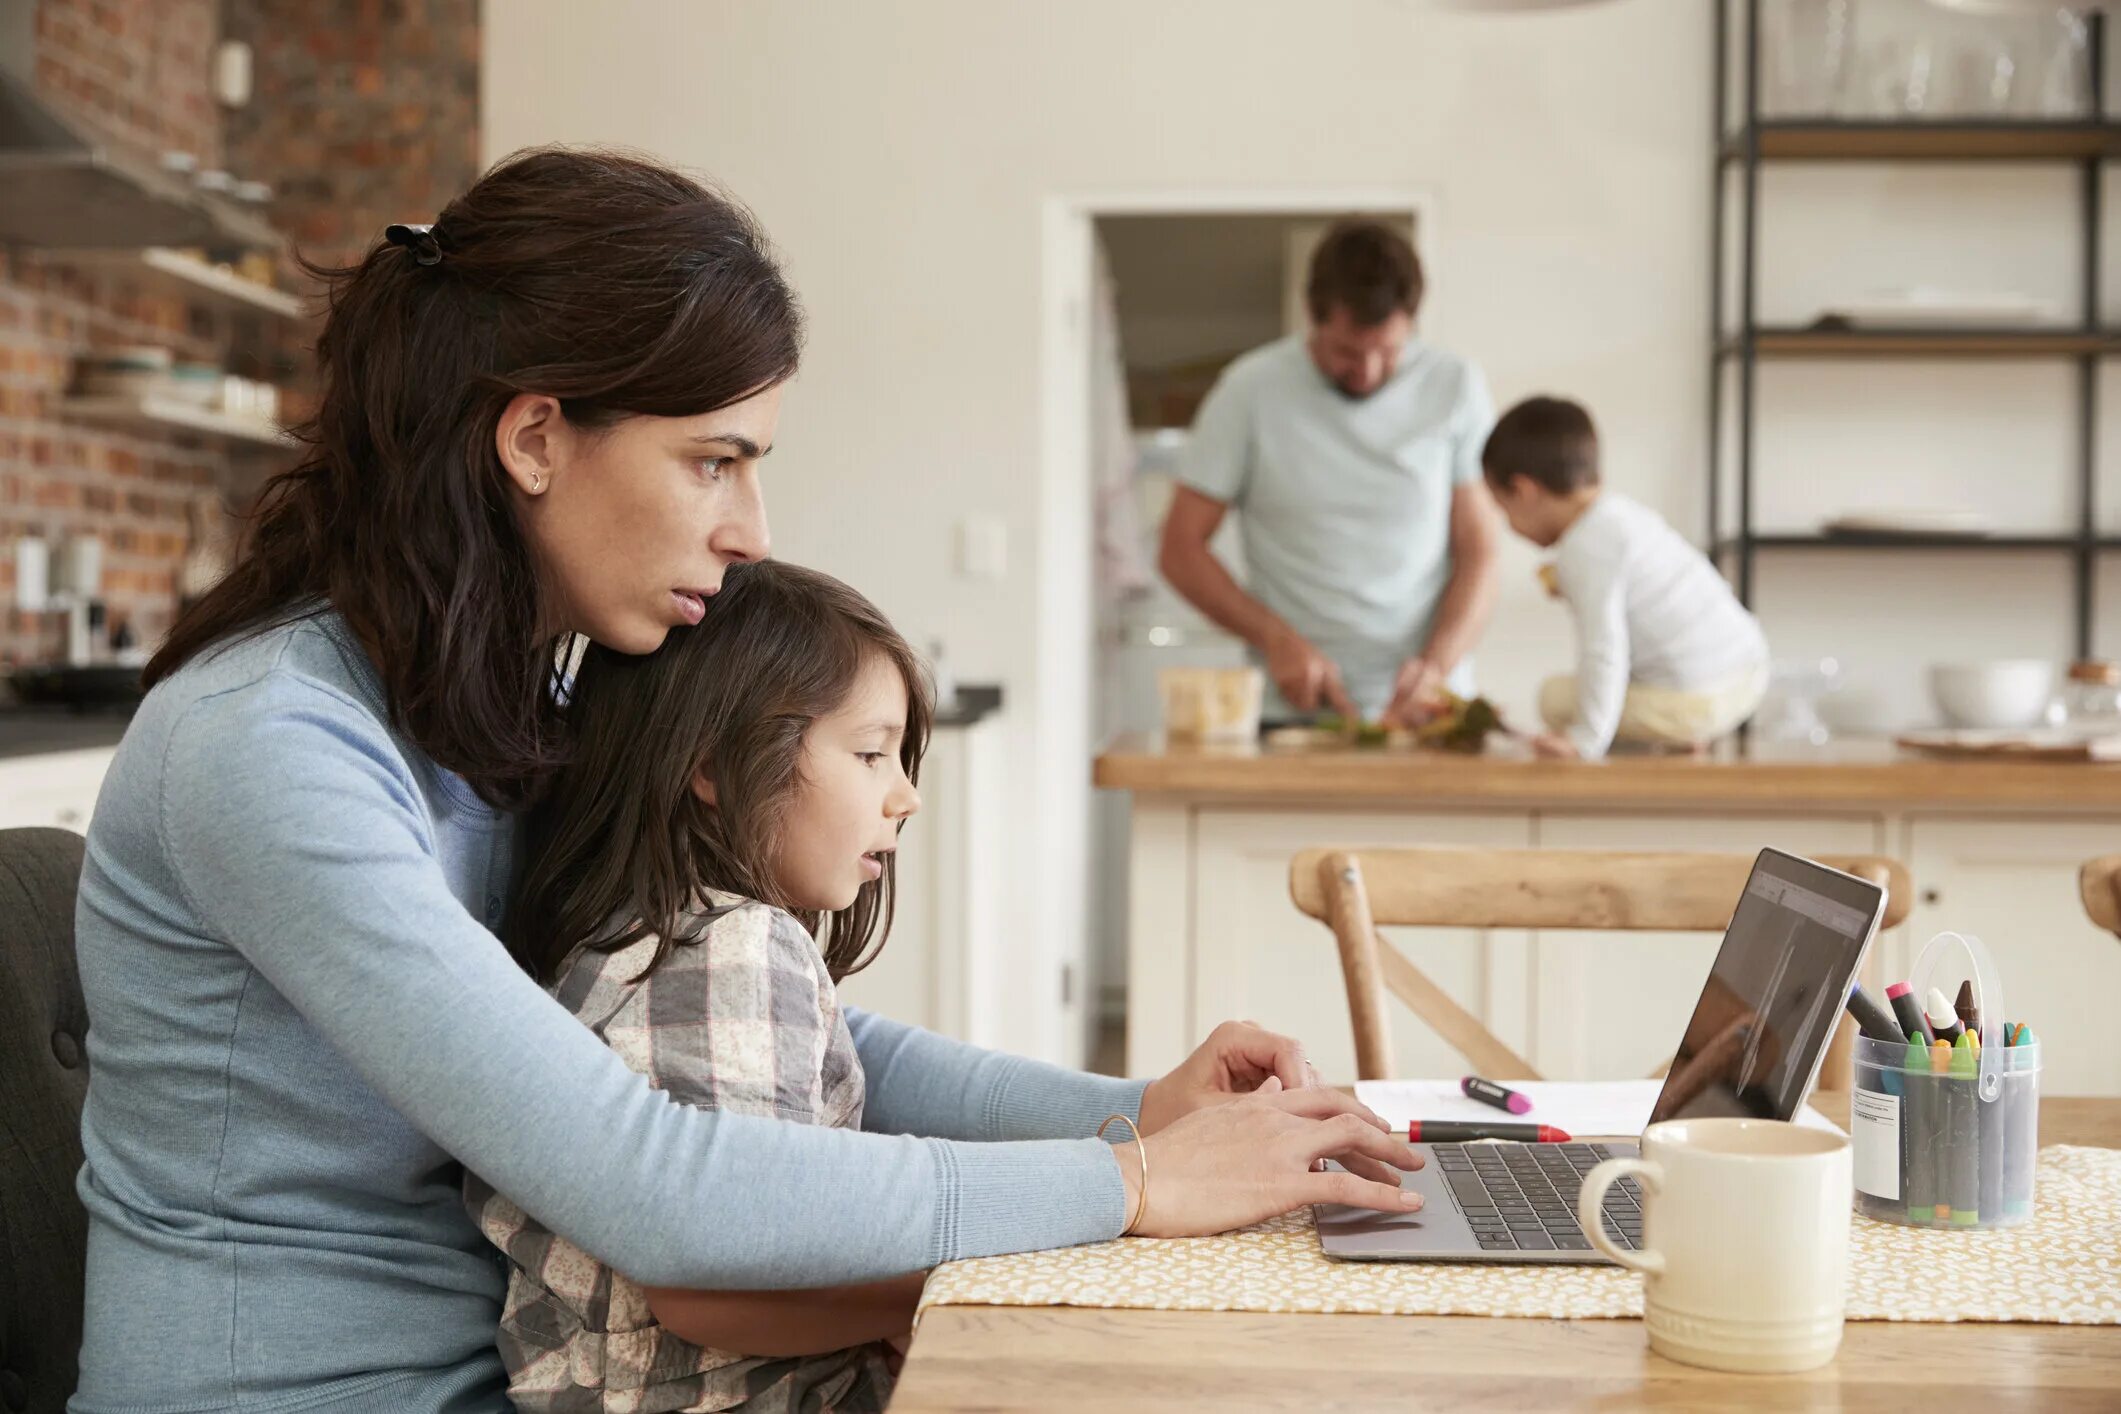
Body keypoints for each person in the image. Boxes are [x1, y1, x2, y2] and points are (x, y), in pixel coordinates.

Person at [67, 148, 1421, 1414]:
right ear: (534, 438)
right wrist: (1132, 1180)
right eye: (714, 459)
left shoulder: (511, 698)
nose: (748, 529)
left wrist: (1135, 1110)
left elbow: (792, 1035)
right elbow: (648, 1179)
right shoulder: (274, 747)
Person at [471, 561, 935, 1412]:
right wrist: (944, 1288)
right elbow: (718, 1284)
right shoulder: (732, 947)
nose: (903, 795)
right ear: (715, 766)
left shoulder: (630, 930)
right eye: (870, 752)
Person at [1157, 219, 1502, 726]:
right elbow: (1179, 549)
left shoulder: (1455, 387)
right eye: (1345, 352)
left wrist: (1436, 666)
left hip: (1425, 712)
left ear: (1411, 323)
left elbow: (1481, 551)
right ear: (1312, 318)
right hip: (1291, 711)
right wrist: (1274, 638)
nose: (1366, 373)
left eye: (1387, 352)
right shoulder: (1249, 391)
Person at [1480, 395, 1770, 761]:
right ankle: (1680, 734)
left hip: (1697, 701)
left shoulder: (1584, 547)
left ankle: (1672, 731)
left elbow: (1603, 649)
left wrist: (1584, 739)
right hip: (1747, 674)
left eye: (1503, 508)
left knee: (1555, 699)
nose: (1509, 525)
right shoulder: (1622, 516)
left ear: (1524, 491)